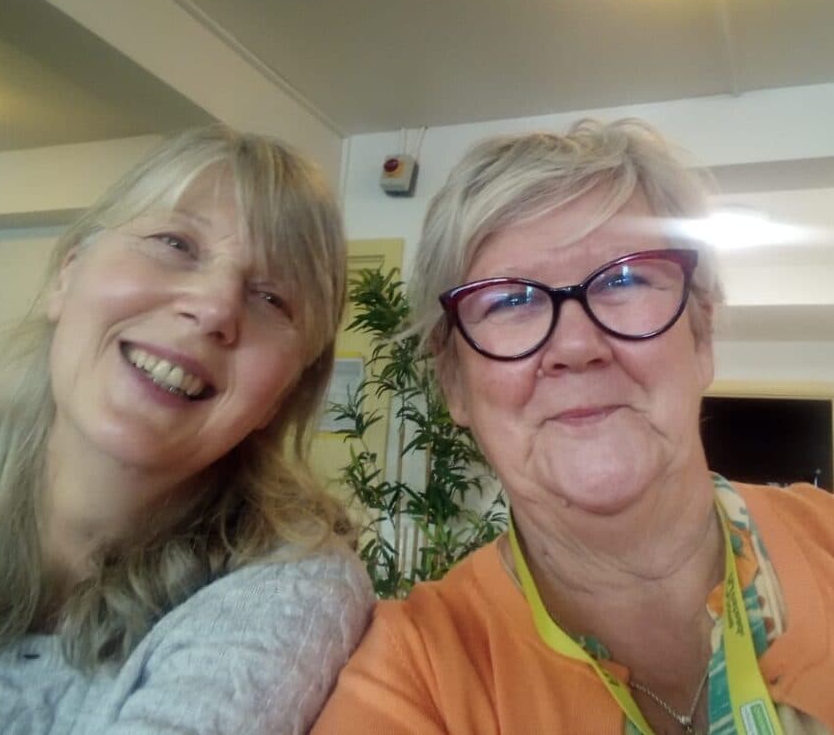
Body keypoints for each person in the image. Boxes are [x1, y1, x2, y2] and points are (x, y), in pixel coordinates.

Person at [0, 126, 374, 734]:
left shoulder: (290, 593)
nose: (217, 307)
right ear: (67, 276)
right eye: (175, 242)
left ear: (284, 395)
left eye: (272, 298)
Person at [314, 119, 834, 734]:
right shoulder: (415, 674)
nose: (577, 344)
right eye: (509, 300)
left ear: (702, 336)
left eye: (625, 279)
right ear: (453, 381)